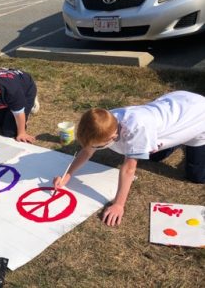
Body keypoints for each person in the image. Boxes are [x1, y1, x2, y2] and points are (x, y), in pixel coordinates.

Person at [53, 91, 205, 227]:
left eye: (98, 147)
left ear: (113, 137)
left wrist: (119, 204)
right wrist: (68, 175)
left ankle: (181, 142)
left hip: (196, 114)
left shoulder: (137, 129)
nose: (93, 149)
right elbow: (87, 151)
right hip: (176, 105)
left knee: (196, 175)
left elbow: (128, 169)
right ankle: (171, 141)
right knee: (153, 157)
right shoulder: (105, 120)